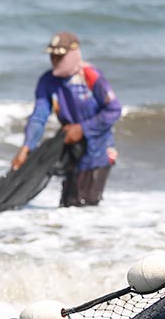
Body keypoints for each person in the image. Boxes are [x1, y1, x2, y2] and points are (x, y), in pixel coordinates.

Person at [11, 31, 122, 207]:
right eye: (52, 56)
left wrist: (83, 129)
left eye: (60, 56)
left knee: (86, 203)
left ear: (72, 55)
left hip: (98, 150)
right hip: (70, 148)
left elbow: (113, 110)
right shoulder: (48, 81)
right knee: (68, 204)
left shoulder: (90, 76)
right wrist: (27, 147)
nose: (54, 60)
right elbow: (39, 117)